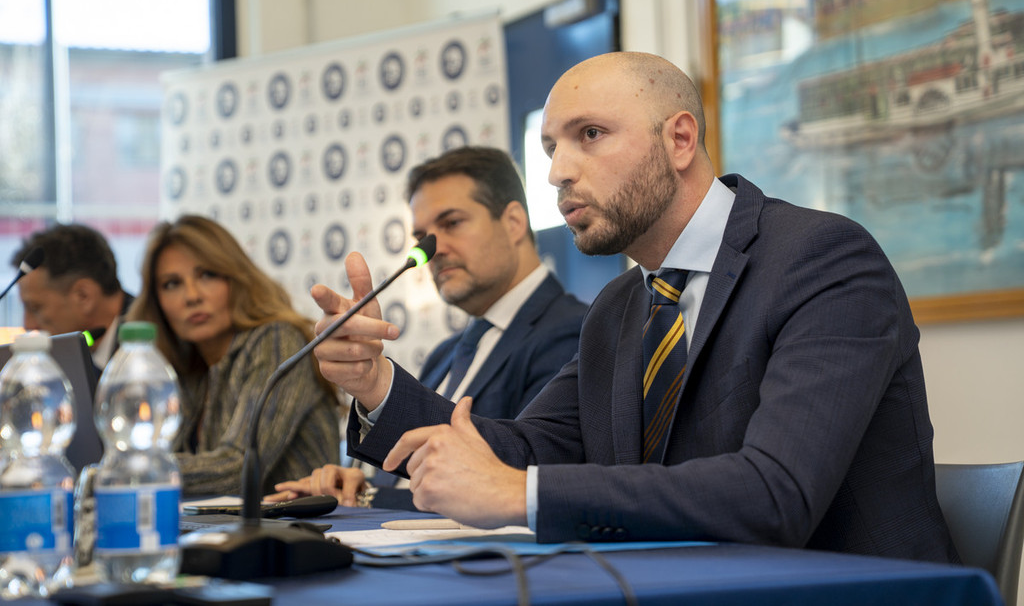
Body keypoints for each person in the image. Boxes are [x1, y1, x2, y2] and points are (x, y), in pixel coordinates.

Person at [305, 52, 959, 563]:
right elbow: (527, 448)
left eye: (589, 134)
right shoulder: (620, 304)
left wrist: (520, 493)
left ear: (680, 139)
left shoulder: (823, 259)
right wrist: (376, 382)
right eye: (551, 149)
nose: (558, 172)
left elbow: (775, 492)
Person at [268, 146, 588, 505]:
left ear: (513, 222)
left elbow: (522, 475)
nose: (432, 249)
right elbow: (419, 469)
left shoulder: (577, 333)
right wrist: (363, 490)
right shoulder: (446, 354)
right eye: (422, 236)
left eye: (452, 223)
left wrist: (373, 499)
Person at [129, 214, 340, 496]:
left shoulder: (276, 340)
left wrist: (131, 470)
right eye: (172, 284)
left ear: (236, 279)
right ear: (157, 302)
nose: (192, 296)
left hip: (299, 523)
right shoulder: (189, 367)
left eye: (207, 275)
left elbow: (237, 469)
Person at [11, 223, 134, 371]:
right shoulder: (72, 352)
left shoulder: (154, 341)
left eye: (35, 308)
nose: (28, 325)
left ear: (83, 296)